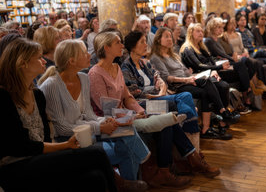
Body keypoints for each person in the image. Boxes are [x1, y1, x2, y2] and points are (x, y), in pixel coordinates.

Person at [89, 31, 220, 187]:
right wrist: (136, 112)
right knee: (179, 104)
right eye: (118, 42)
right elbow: (108, 109)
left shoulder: (119, 66)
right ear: (107, 48)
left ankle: (170, 169)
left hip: (138, 108)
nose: (122, 45)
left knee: (171, 117)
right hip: (117, 118)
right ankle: (191, 158)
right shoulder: (98, 73)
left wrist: (140, 111)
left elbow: (128, 97)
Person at [0, 38, 117, 192]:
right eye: (38, 58)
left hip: (39, 159)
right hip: (14, 165)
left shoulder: (37, 95)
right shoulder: (4, 96)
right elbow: (18, 146)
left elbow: (46, 136)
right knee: (96, 153)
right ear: (23, 63)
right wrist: (65, 146)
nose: (44, 61)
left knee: (96, 178)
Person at [151, 27, 236, 140]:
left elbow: (185, 71)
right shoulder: (156, 58)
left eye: (170, 36)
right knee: (207, 82)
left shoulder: (174, 55)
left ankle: (206, 128)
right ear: (158, 40)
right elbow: (167, 78)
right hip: (177, 86)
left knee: (207, 88)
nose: (170, 39)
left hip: (187, 80)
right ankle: (222, 111)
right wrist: (187, 79)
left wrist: (193, 75)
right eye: (166, 36)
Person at [121, 30, 200, 135]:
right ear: (132, 46)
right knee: (185, 99)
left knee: (186, 99)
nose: (146, 45)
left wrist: (162, 90)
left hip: (157, 97)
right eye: (142, 42)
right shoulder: (126, 67)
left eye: (146, 41)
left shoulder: (144, 63)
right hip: (144, 104)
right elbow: (135, 92)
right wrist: (156, 94)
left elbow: (158, 78)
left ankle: (188, 130)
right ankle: (191, 130)